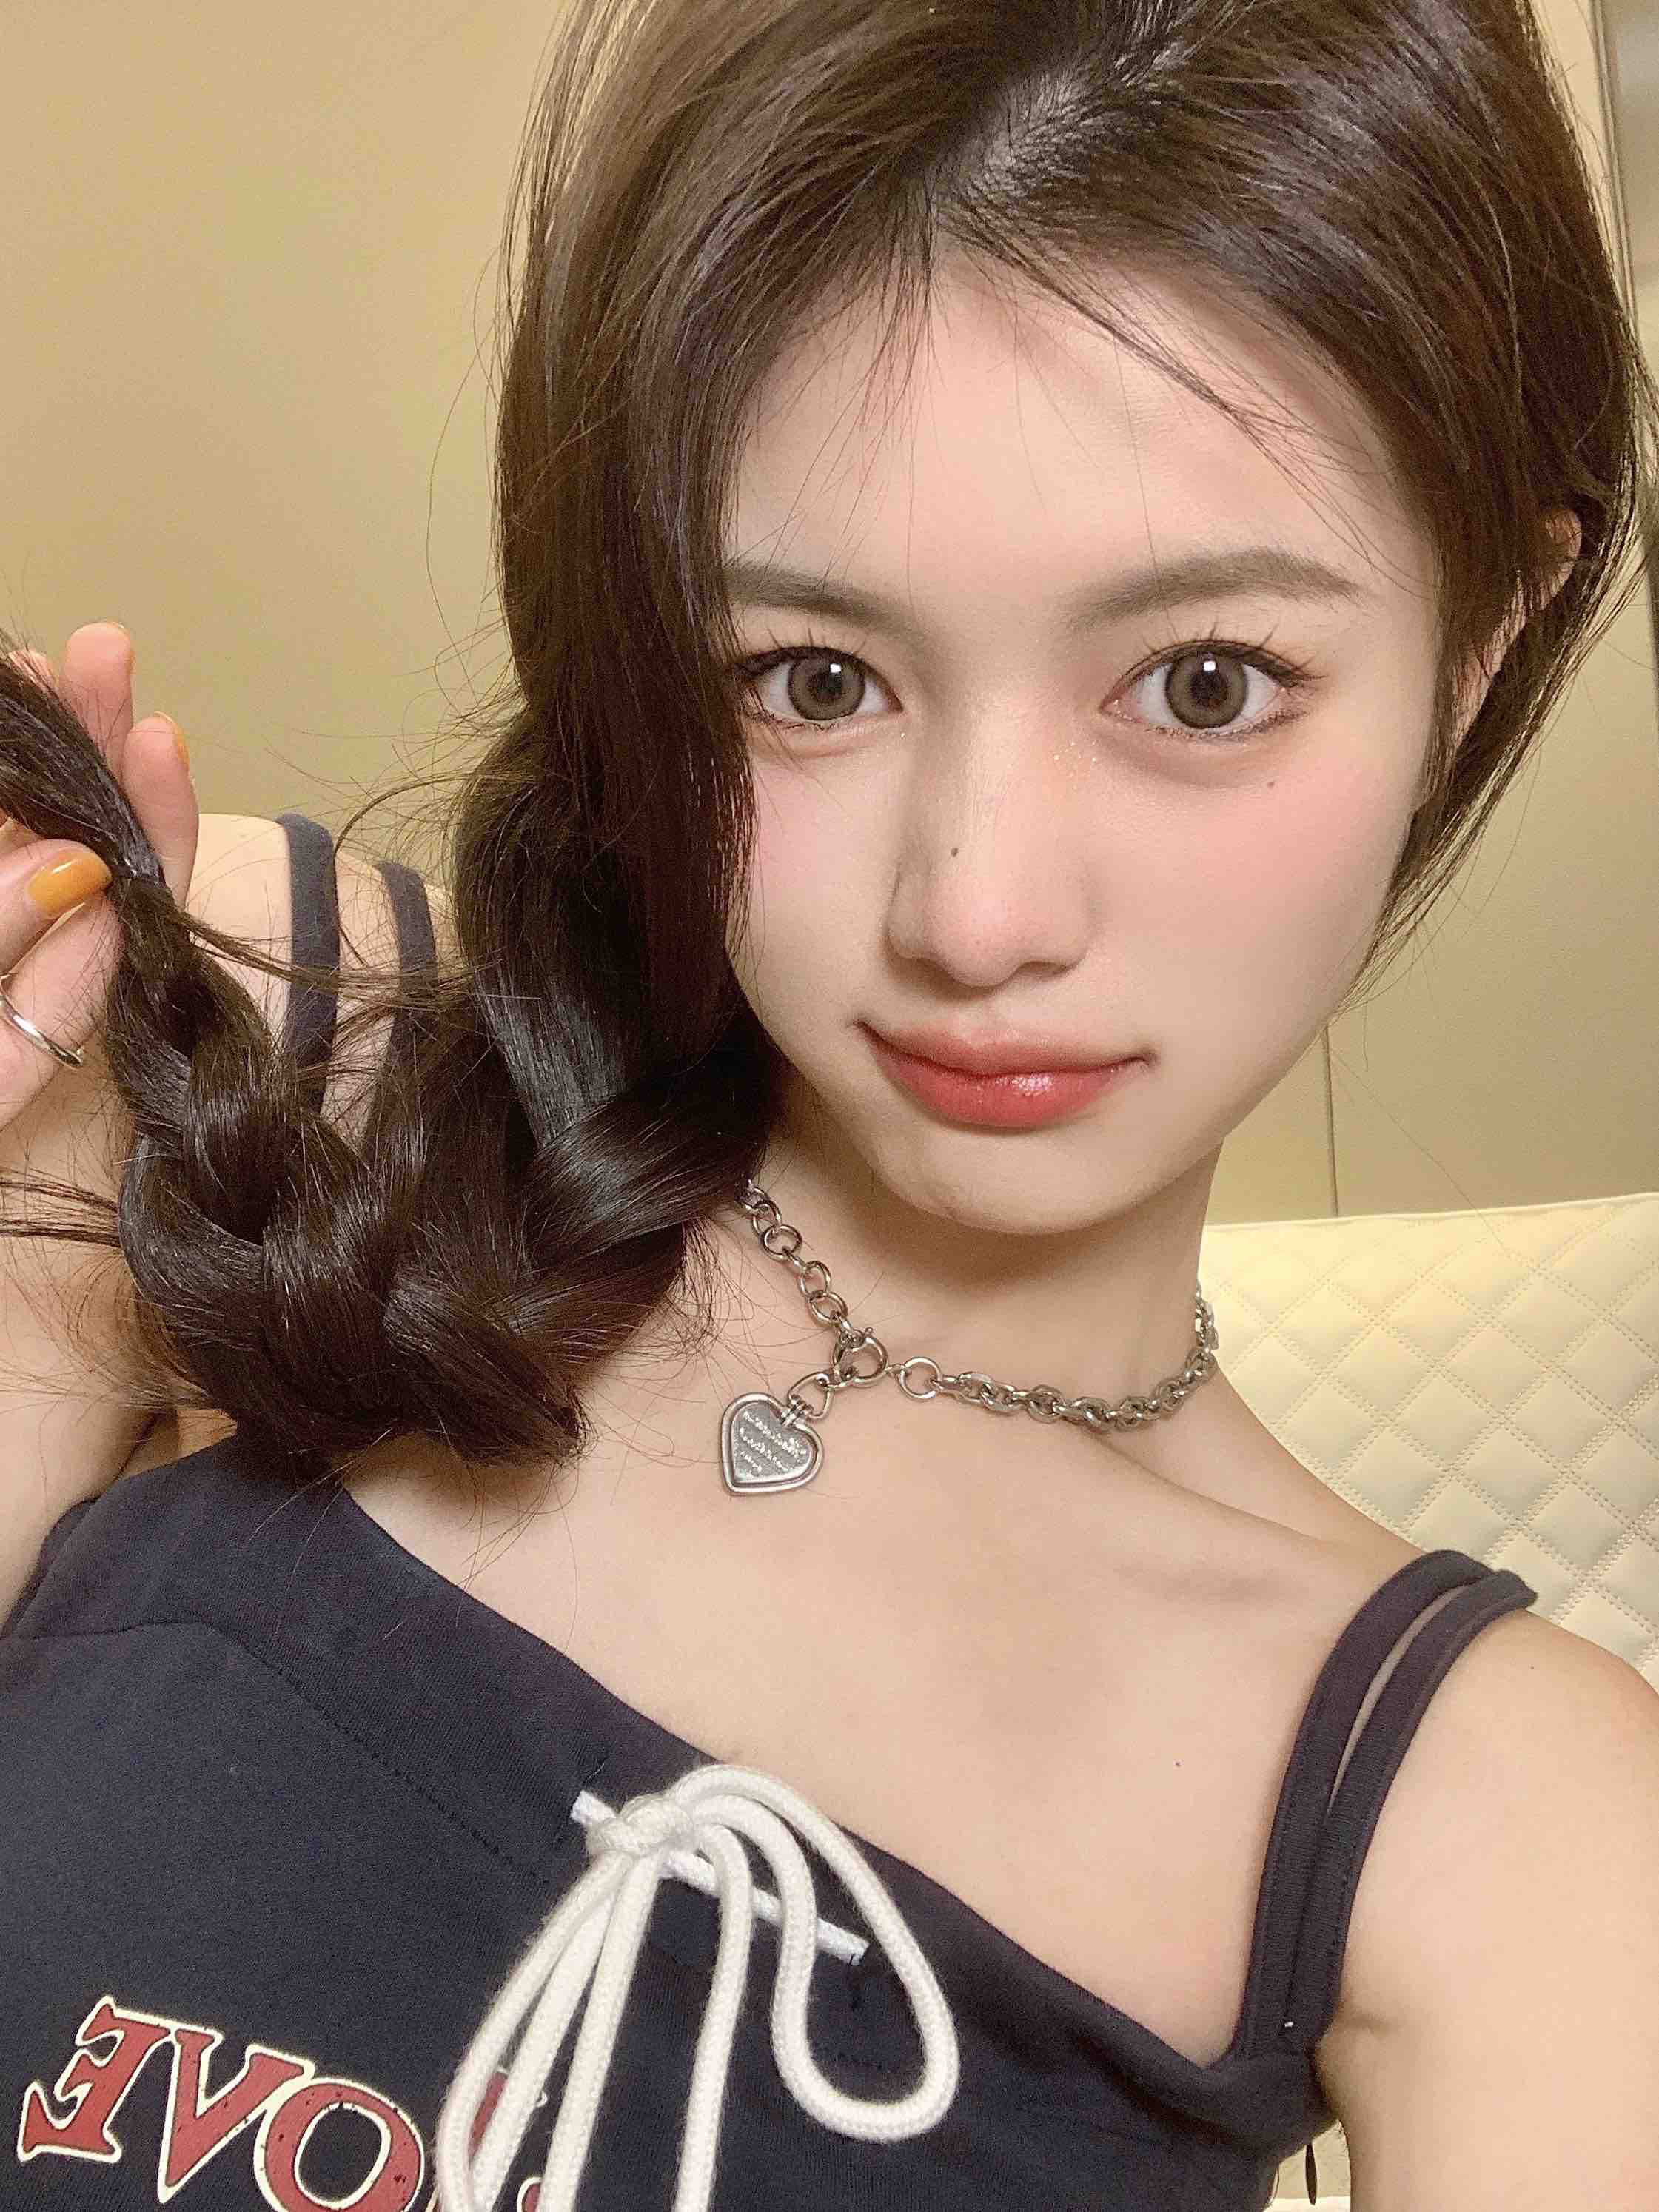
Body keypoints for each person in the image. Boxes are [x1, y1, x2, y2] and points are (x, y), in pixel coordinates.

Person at [2, 0, 1658, 2205]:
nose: (978, 910)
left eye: (1202, 685)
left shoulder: (1490, 1819)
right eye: (813, 680)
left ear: (1480, 644)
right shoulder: (270, 1064)